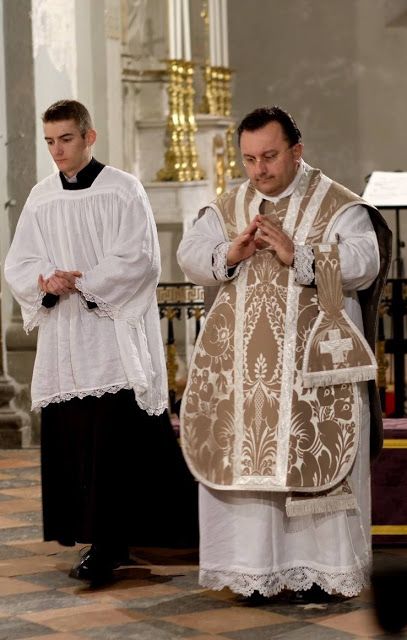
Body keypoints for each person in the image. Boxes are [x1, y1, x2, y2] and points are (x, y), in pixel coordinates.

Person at [177, 106, 391, 600]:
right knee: (247, 464)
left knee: (314, 463)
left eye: (270, 156)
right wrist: (229, 254)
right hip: (245, 375)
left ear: (297, 151)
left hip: (313, 374)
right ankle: (254, 572)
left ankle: (321, 572)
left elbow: (365, 260)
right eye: (249, 159)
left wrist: (303, 256)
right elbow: (191, 253)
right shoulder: (232, 206)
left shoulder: (336, 204)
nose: (259, 170)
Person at [5, 99, 198, 585]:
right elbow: (18, 263)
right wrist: (45, 282)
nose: (57, 151)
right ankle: (88, 532)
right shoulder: (41, 197)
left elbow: (141, 259)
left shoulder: (123, 189)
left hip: (110, 335)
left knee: (112, 439)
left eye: (66, 139)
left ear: (89, 138)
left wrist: (84, 283)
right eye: (49, 141)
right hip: (64, 340)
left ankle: (112, 542)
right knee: (75, 435)